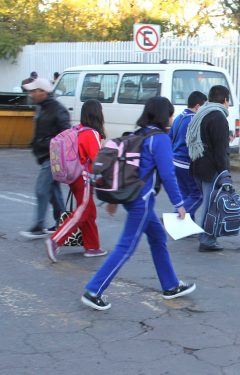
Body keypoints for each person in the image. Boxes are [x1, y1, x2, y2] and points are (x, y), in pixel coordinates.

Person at [81, 96, 195, 311]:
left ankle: (170, 285)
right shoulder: (159, 138)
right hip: (141, 201)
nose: (172, 117)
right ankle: (94, 290)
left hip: (133, 198)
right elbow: (168, 175)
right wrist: (179, 203)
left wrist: (114, 199)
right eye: (170, 113)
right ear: (164, 114)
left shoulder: (139, 133)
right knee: (126, 247)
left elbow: (124, 167)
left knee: (158, 237)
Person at [45, 100, 107, 262]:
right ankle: (56, 240)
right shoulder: (91, 133)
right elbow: (97, 159)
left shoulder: (78, 129)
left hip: (75, 176)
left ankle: (92, 247)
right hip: (85, 177)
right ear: (98, 114)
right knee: (83, 211)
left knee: (89, 211)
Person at [19, 78, 69, 239]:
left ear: (44, 92)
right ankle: (64, 223)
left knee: (42, 190)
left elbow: (65, 134)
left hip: (53, 157)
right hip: (44, 155)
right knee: (53, 192)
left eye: (34, 91)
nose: (31, 94)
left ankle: (38, 226)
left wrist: (49, 144)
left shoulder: (58, 109)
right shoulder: (42, 108)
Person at [188, 85, 231, 252]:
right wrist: (224, 173)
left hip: (197, 163)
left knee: (208, 202)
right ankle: (206, 239)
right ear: (225, 100)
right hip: (211, 167)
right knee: (210, 204)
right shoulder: (218, 117)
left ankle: (205, 236)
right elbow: (220, 150)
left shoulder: (202, 113)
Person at [169, 91, 207, 219]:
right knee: (198, 196)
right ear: (197, 106)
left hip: (175, 162)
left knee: (186, 195)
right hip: (187, 164)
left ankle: (186, 227)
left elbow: (170, 138)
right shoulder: (194, 121)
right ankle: (175, 217)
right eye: (204, 107)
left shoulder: (179, 118)